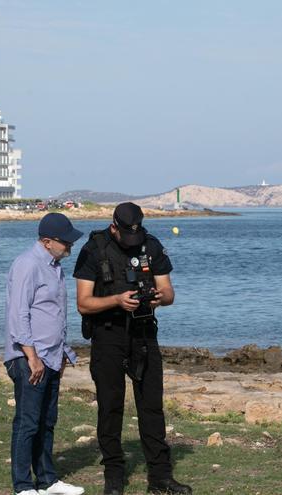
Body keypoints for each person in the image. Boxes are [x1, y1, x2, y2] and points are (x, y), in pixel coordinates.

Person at [74, 202, 192, 495]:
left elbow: (169, 293)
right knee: (110, 407)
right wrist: (116, 300)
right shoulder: (94, 249)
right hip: (107, 335)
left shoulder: (151, 245)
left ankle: (160, 478)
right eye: (126, 236)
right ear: (114, 227)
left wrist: (156, 299)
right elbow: (83, 303)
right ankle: (114, 478)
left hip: (143, 334)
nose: (131, 242)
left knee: (152, 406)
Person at [4, 212, 86, 495]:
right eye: (66, 242)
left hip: (50, 357)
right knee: (27, 422)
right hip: (29, 358)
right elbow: (19, 314)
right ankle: (23, 486)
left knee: (47, 421)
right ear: (47, 241)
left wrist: (63, 353)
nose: (70, 247)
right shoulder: (28, 264)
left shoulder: (54, 266)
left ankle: (48, 481)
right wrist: (32, 356)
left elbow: (54, 315)